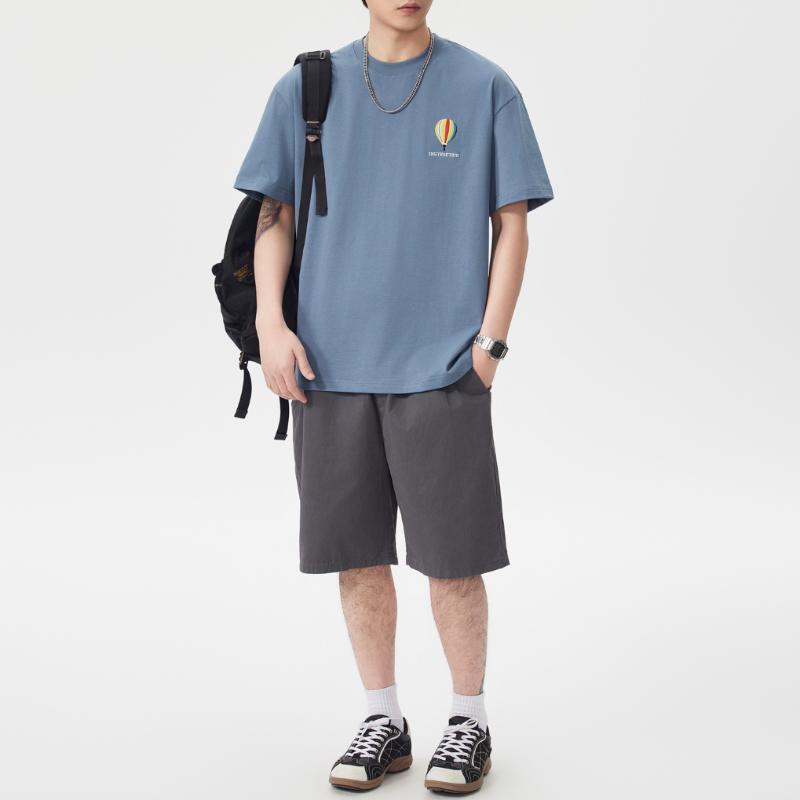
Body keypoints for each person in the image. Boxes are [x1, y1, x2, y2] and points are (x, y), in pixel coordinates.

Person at [234, 0, 552, 792]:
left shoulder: (484, 87)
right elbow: (273, 214)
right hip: (328, 369)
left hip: (442, 370)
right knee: (358, 559)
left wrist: (488, 349)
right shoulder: (308, 87)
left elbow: (512, 223)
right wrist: (271, 325)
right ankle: (384, 719)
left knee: (454, 562)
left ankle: (469, 721)